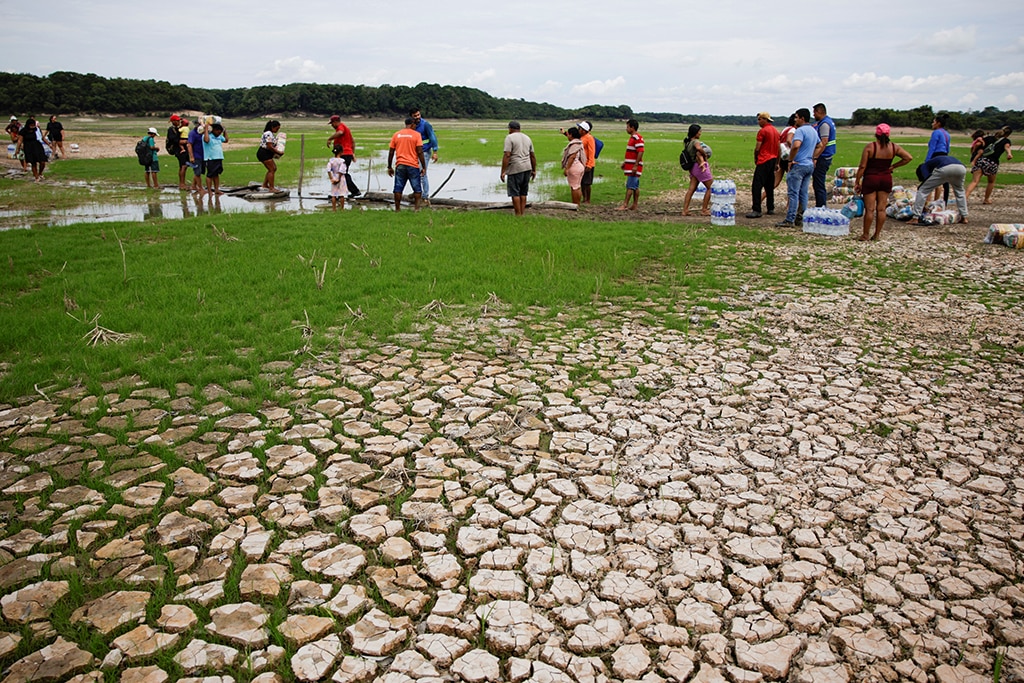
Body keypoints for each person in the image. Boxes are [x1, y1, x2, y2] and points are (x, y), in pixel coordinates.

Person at [853, 123, 913, 241]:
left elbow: (862, 166)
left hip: (871, 178)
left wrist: (857, 181)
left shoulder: (870, 147)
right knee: (881, 209)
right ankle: (877, 235)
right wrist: (893, 166)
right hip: (885, 178)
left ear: (876, 134)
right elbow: (908, 157)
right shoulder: (894, 147)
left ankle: (865, 234)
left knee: (869, 209)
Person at [776, 108, 820, 228]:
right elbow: (820, 145)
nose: (794, 120)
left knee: (793, 193)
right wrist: (813, 157)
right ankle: (800, 217)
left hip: (798, 165)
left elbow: (795, 145)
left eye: (796, 117)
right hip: (809, 165)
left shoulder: (800, 131)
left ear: (802, 118)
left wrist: (790, 159)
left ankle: (790, 219)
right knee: (803, 193)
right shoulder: (813, 131)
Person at [911, 154, 969, 225]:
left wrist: (922, 186)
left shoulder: (924, 166)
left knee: (922, 190)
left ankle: (915, 217)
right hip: (961, 168)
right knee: (960, 192)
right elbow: (945, 186)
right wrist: (945, 200)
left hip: (945, 168)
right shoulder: (937, 161)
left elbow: (926, 180)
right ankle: (964, 217)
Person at [386, 117, 427, 212]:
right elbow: (420, 152)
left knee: (398, 188)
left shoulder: (397, 134)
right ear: (412, 124)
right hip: (413, 165)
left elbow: (391, 152)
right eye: (415, 125)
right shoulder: (417, 135)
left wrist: (389, 166)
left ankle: (397, 209)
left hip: (400, 165)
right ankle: (416, 208)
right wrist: (424, 166)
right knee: (417, 189)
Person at [966, 126, 1014, 204]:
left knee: (974, 181)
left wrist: (974, 152)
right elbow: (1007, 147)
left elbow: (978, 143)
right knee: (991, 182)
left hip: (981, 160)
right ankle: (986, 199)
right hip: (992, 163)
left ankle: (965, 197)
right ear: (1008, 134)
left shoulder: (989, 138)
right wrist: (1009, 154)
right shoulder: (1006, 140)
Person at [500, 120, 537, 217]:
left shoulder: (509, 138)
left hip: (515, 167)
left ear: (510, 128)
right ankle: (522, 213)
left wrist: (503, 171)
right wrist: (534, 170)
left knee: (515, 192)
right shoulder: (527, 137)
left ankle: (518, 214)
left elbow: (507, 155)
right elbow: (532, 155)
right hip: (527, 167)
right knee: (523, 192)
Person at [747, 112, 780, 218]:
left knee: (756, 185)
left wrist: (756, 157)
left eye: (759, 119)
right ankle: (770, 207)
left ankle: (756, 209)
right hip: (773, 159)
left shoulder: (763, 131)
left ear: (764, 120)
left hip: (764, 159)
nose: (758, 122)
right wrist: (777, 162)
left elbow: (758, 148)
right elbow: (779, 148)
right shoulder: (775, 131)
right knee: (769, 185)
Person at [682, 124, 713, 216]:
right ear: (695, 133)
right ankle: (704, 209)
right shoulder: (695, 141)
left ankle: (685, 210)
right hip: (699, 167)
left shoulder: (687, 143)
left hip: (692, 168)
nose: (700, 133)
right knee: (711, 187)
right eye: (699, 131)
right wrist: (705, 155)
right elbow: (699, 148)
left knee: (691, 189)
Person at [327, 115, 360, 197]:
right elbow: (353, 142)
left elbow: (340, 132)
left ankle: (354, 191)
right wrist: (352, 153)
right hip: (347, 154)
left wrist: (330, 139)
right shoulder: (346, 129)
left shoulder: (341, 127)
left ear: (336, 122)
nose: (332, 126)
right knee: (341, 173)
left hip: (344, 154)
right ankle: (338, 193)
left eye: (332, 123)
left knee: (342, 174)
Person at [811, 103, 836, 207]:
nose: (813, 115)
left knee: (818, 183)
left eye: (814, 112)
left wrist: (815, 157)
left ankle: (821, 206)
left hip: (823, 157)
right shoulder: (827, 121)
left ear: (819, 112)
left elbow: (824, 142)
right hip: (826, 155)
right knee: (818, 182)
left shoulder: (824, 124)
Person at [409, 108, 438, 199]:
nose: (417, 117)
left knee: (422, 173)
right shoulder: (411, 125)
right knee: (413, 173)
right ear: (411, 116)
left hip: (425, 152)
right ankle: (417, 192)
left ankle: (425, 196)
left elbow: (433, 137)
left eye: (418, 115)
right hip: (414, 153)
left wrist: (435, 152)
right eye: (415, 116)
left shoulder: (426, 125)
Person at [618, 119, 644, 211]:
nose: (626, 129)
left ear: (632, 128)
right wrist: (625, 163)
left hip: (633, 166)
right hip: (631, 165)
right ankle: (635, 205)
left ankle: (625, 204)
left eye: (627, 127)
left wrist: (635, 165)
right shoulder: (633, 138)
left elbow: (640, 151)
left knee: (630, 186)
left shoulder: (637, 138)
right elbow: (632, 153)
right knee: (635, 186)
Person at [925, 113, 951, 202]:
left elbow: (932, 147)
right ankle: (937, 201)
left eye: (934, 122)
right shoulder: (947, 134)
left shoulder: (936, 133)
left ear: (938, 123)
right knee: (940, 180)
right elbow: (948, 148)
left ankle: (928, 202)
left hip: (936, 156)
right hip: (944, 156)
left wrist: (927, 161)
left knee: (930, 179)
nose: (932, 124)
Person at [560, 126, 586, 205]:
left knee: (574, 187)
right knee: (577, 186)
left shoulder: (574, 144)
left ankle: (575, 204)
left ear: (571, 135)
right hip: (579, 167)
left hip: (574, 167)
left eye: (568, 134)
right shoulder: (578, 142)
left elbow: (572, 156)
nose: (567, 136)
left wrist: (567, 169)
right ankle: (577, 204)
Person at [202, 120, 228, 195]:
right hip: (210, 158)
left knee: (216, 174)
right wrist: (206, 129)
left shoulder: (219, 137)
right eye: (217, 130)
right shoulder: (207, 136)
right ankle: (209, 191)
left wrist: (225, 131)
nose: (219, 132)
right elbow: (206, 140)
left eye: (220, 130)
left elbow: (226, 140)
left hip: (219, 157)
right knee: (210, 175)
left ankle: (216, 189)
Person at [257, 120, 283, 191]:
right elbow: (269, 146)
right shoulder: (268, 133)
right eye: (276, 128)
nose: (277, 130)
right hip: (264, 153)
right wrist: (278, 152)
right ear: (272, 127)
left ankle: (265, 185)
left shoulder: (269, 133)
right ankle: (271, 187)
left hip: (265, 153)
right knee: (272, 169)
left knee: (272, 169)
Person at [578, 121, 597, 204]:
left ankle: (588, 199)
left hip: (588, 164)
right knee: (582, 182)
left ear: (584, 130)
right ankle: (584, 198)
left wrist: (589, 164)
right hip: (582, 163)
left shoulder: (589, 138)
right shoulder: (582, 137)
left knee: (587, 183)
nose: (578, 130)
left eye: (580, 128)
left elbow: (591, 152)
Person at [326, 147, 348, 211]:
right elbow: (341, 170)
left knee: (333, 194)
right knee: (341, 194)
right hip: (340, 178)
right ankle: (342, 208)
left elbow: (328, 170)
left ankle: (334, 209)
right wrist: (338, 179)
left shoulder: (331, 161)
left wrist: (331, 178)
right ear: (341, 152)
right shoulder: (342, 161)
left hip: (334, 176)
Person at [187, 119, 205, 193]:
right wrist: (191, 156)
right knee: (197, 172)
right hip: (196, 155)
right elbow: (189, 145)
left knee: (199, 171)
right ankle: (200, 188)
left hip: (203, 155)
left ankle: (193, 186)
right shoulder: (193, 133)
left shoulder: (203, 132)